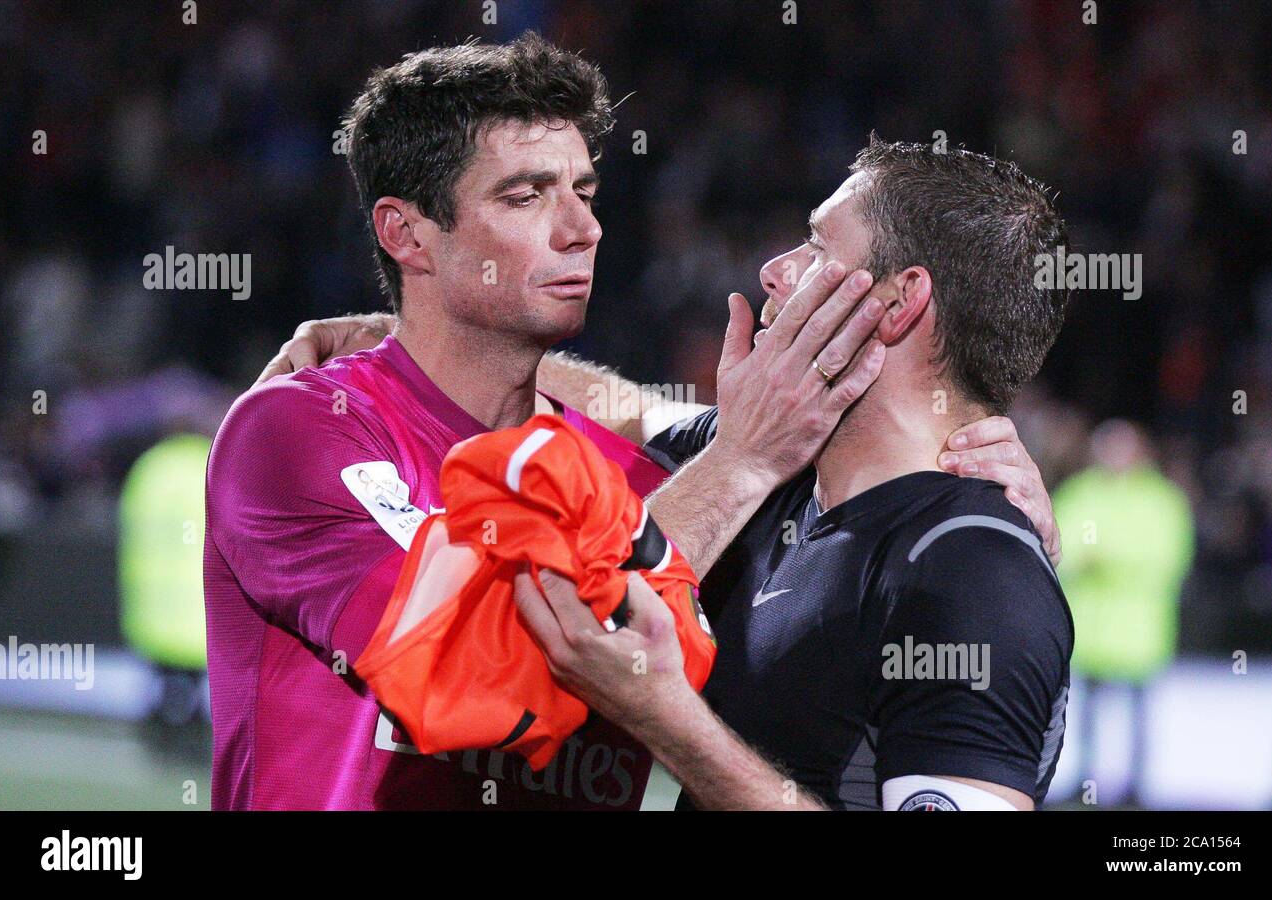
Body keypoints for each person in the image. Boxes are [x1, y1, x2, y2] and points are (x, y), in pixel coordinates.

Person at [233, 35, 1059, 810]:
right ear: (405, 233)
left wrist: (999, 545)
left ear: (899, 300)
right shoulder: (305, 429)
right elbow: (466, 669)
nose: (584, 229)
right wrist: (408, 337)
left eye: (586, 194)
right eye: (526, 196)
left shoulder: (707, 494)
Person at [508, 138, 1075, 811]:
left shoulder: (971, 570)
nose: (776, 269)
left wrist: (667, 719)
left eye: (816, 247)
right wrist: (396, 339)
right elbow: (625, 410)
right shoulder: (772, 465)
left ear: (898, 303)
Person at [1052, 418, 1194, 807]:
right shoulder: (1082, 492)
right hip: (1094, 633)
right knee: (1086, 718)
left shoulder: (1162, 500)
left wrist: (1108, 560)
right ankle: (1085, 782)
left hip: (1138, 633)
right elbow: (1058, 545)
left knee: (1138, 717)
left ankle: (1135, 787)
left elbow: (1169, 558)